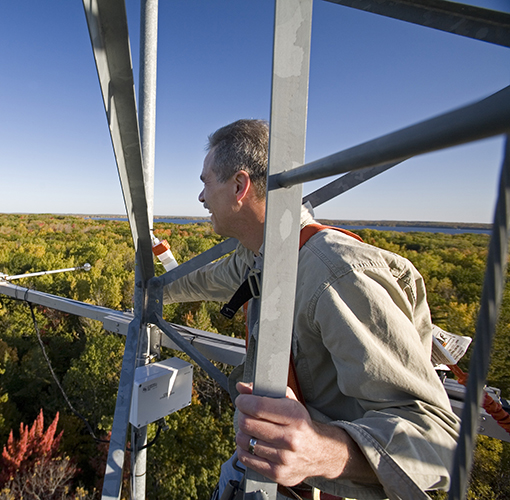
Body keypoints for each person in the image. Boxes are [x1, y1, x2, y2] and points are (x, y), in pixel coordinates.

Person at [163, 119, 460, 499]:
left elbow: (440, 443)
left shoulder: (337, 274)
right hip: (264, 476)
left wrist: (323, 452)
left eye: (205, 183)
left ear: (239, 186)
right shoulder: (258, 258)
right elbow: (199, 281)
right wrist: (151, 292)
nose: (201, 198)